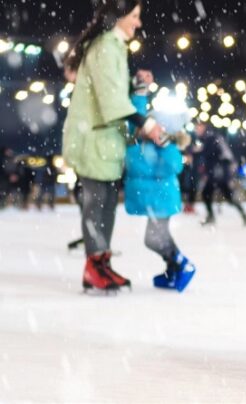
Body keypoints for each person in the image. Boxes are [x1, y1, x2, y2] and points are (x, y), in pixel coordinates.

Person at [62, 0, 164, 292]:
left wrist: (135, 84)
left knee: (106, 204)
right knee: (96, 205)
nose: (138, 23)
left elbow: (113, 92)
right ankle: (94, 266)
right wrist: (147, 124)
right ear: (118, 17)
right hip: (94, 138)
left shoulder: (114, 47)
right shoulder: (106, 47)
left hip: (106, 139)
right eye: (134, 16)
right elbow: (112, 102)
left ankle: (102, 264)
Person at [123, 69, 196, 292]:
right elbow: (137, 114)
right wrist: (140, 91)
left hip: (161, 198)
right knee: (157, 237)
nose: (149, 127)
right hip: (153, 198)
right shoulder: (141, 138)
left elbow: (175, 166)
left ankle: (182, 265)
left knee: (154, 239)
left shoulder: (168, 147)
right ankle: (173, 267)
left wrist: (164, 144)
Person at [197, 123, 246, 226]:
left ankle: (212, 216)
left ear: (205, 127)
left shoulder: (211, 138)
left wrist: (198, 151)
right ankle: (242, 213)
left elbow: (218, 155)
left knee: (210, 193)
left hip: (218, 173)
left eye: (198, 128)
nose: (196, 130)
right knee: (216, 194)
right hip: (218, 172)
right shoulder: (211, 137)